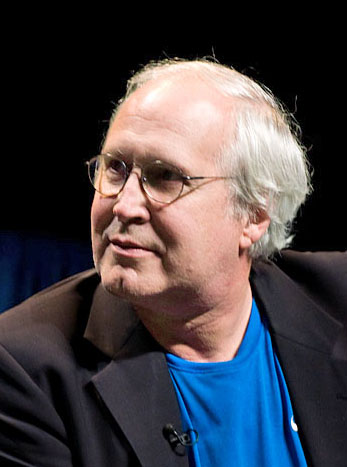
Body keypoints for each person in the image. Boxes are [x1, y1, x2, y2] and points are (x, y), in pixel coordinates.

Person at [0, 58, 346, 467]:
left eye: (165, 177)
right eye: (115, 168)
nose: (124, 206)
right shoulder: (27, 370)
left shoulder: (338, 296)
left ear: (253, 214)